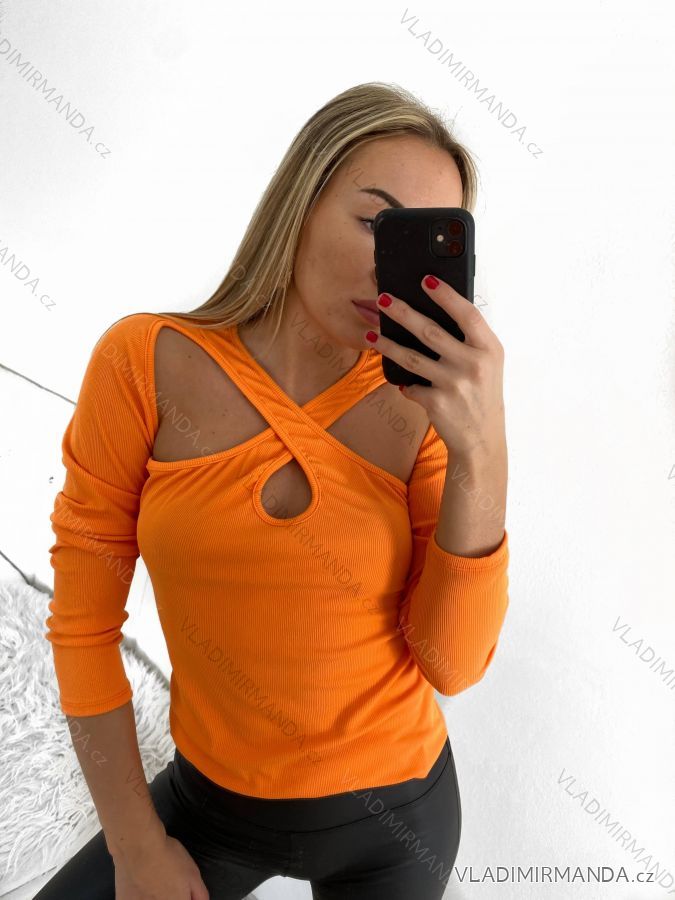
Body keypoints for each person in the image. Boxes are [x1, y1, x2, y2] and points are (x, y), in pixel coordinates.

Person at [38, 81, 510, 900]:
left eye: (421, 243)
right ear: (299, 204)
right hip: (210, 807)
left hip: (398, 819)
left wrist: (482, 453)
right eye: (375, 222)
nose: (390, 266)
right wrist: (136, 848)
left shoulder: (423, 408)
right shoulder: (143, 361)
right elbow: (82, 625)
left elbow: (451, 664)